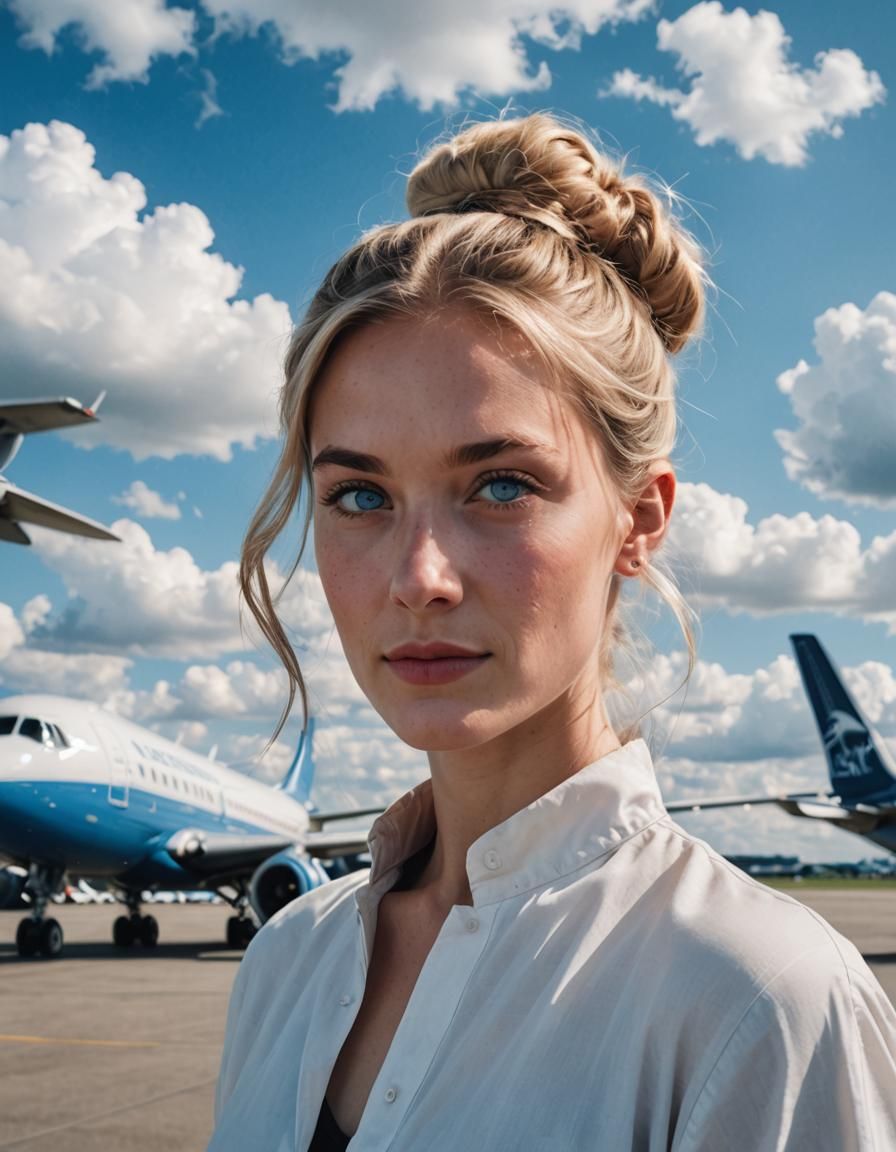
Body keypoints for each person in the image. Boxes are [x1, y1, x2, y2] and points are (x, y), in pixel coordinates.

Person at [207, 113, 896, 1152]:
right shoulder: (285, 962)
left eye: (499, 485)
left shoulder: (760, 1005)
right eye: (357, 497)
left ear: (638, 520)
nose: (417, 579)